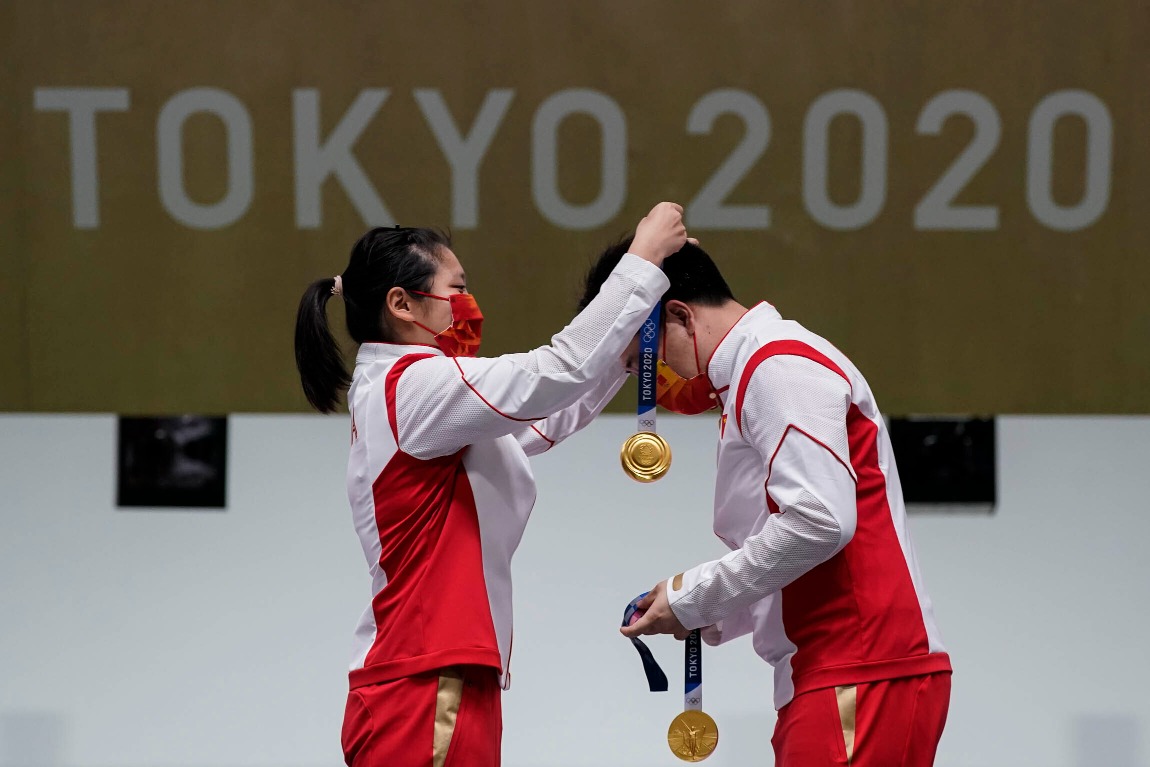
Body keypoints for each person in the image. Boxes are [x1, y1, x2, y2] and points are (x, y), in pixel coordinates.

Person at [293, 204, 693, 767]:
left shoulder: (413, 396)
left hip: (438, 674)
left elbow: (542, 416)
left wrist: (622, 356)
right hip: (425, 679)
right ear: (401, 304)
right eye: (455, 289)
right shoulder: (413, 386)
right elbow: (552, 372)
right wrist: (642, 261)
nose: (467, 304)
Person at [587, 239, 952, 766]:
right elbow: (795, 541)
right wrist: (697, 612)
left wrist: (694, 597)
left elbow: (820, 522)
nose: (656, 375)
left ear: (679, 315)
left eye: (644, 357)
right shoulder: (757, 372)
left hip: (858, 666)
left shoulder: (776, 363)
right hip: (842, 669)